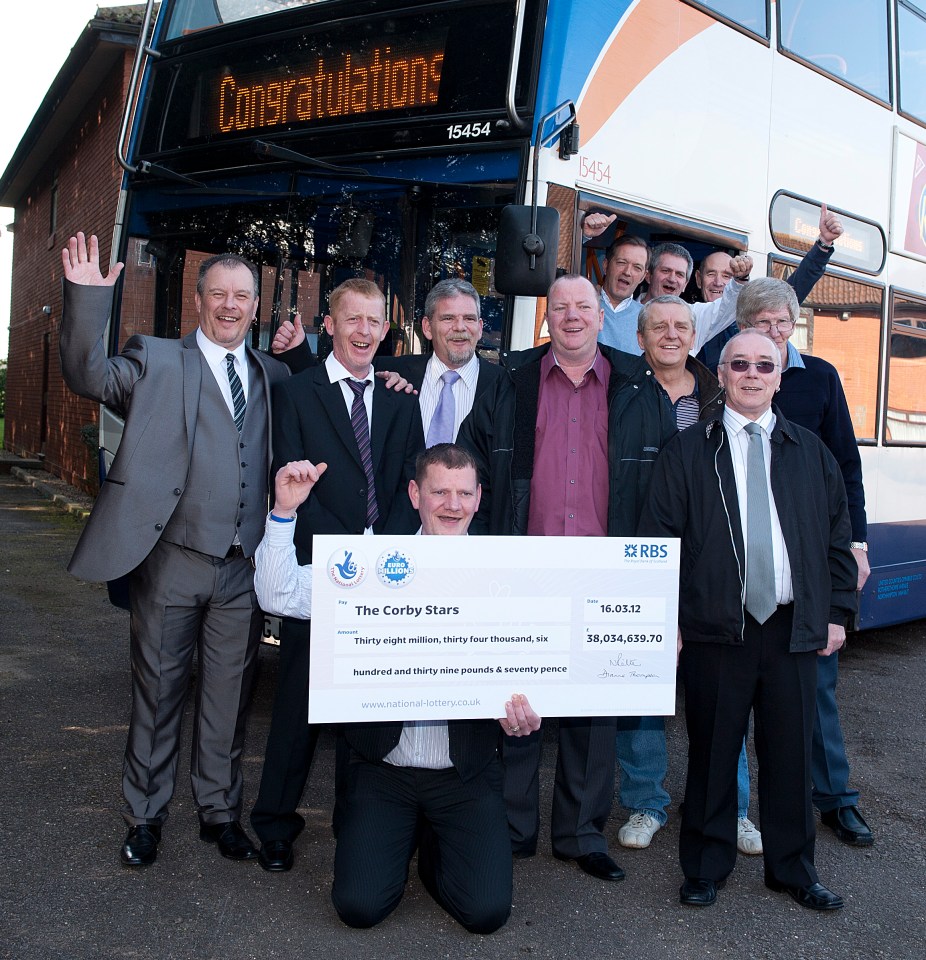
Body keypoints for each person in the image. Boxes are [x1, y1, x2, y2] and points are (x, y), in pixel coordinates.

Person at [59, 232, 308, 867]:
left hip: (241, 573)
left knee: (229, 699)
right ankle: (143, 816)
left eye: (242, 296)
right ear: (198, 300)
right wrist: (89, 297)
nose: (231, 306)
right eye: (219, 294)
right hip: (171, 564)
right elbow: (88, 374)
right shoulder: (157, 360)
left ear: (256, 306)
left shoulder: (271, 373)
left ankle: (219, 813)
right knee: (158, 694)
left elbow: (323, 403)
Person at [253, 444, 541, 933]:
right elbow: (276, 595)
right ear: (414, 494)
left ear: (478, 498)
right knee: (360, 908)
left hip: (464, 773)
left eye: (465, 493)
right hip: (382, 770)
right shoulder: (372, 561)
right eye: (440, 492)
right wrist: (283, 513)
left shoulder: (506, 569)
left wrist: (528, 710)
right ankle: (405, 833)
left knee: (486, 913)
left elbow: (540, 662)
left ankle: (433, 845)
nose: (453, 504)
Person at [639, 329, 857, 911]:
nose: (752, 373)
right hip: (715, 630)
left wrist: (837, 612)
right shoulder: (688, 453)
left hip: (793, 630)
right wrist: (669, 620)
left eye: (765, 364)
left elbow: (837, 538)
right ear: (723, 374)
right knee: (711, 753)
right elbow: (659, 540)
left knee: (789, 756)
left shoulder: (811, 452)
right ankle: (705, 866)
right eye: (740, 364)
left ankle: (793, 870)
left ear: (780, 376)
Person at [458, 274, 663, 882]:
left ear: (602, 318)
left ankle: (579, 833)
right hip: (524, 567)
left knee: (593, 708)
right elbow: (471, 459)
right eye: (562, 308)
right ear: (549, 318)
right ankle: (514, 829)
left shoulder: (636, 383)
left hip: (607, 571)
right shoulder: (510, 378)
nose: (572, 317)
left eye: (584, 307)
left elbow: (661, 484)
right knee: (519, 698)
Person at [249, 278, 424, 872]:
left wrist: (388, 555)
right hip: (319, 570)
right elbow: (290, 477)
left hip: (385, 576)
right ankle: (275, 823)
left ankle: (356, 825)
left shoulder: (402, 399)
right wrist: (341, 555)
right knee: (297, 706)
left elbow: (410, 484)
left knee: (364, 708)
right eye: (353, 320)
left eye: (375, 322)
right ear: (331, 324)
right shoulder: (297, 394)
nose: (364, 332)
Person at [735, 277, 873, 847]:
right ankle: (737, 812)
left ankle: (835, 798)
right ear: (744, 326)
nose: (773, 333)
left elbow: (846, 463)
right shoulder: (729, 370)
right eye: (763, 322)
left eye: (783, 323)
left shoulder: (818, 377)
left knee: (817, 689)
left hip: (806, 565)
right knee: (733, 699)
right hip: (741, 566)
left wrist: (857, 546)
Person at [611, 296, 724, 852]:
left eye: (682, 326)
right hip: (638, 555)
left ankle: (732, 806)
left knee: (721, 692)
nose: (672, 335)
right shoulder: (621, 392)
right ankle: (645, 802)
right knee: (641, 685)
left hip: (711, 564)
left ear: (695, 336)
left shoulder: (723, 397)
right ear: (641, 338)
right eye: (660, 327)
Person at [696, 203, 844, 370]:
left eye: (727, 276)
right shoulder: (690, 323)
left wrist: (823, 244)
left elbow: (795, 287)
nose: (718, 282)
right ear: (698, 279)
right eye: (711, 274)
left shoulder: (750, 318)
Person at [582, 213, 752, 355]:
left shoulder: (692, 316)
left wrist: (739, 280)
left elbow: (726, 308)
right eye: (665, 271)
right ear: (648, 276)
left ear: (686, 284)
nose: (672, 279)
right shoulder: (591, 303)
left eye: (679, 274)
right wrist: (583, 235)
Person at [373, 278, 503, 442]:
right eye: (448, 318)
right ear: (427, 328)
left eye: (469, 318)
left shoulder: (504, 384)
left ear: (480, 328)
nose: (460, 327)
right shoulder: (391, 375)